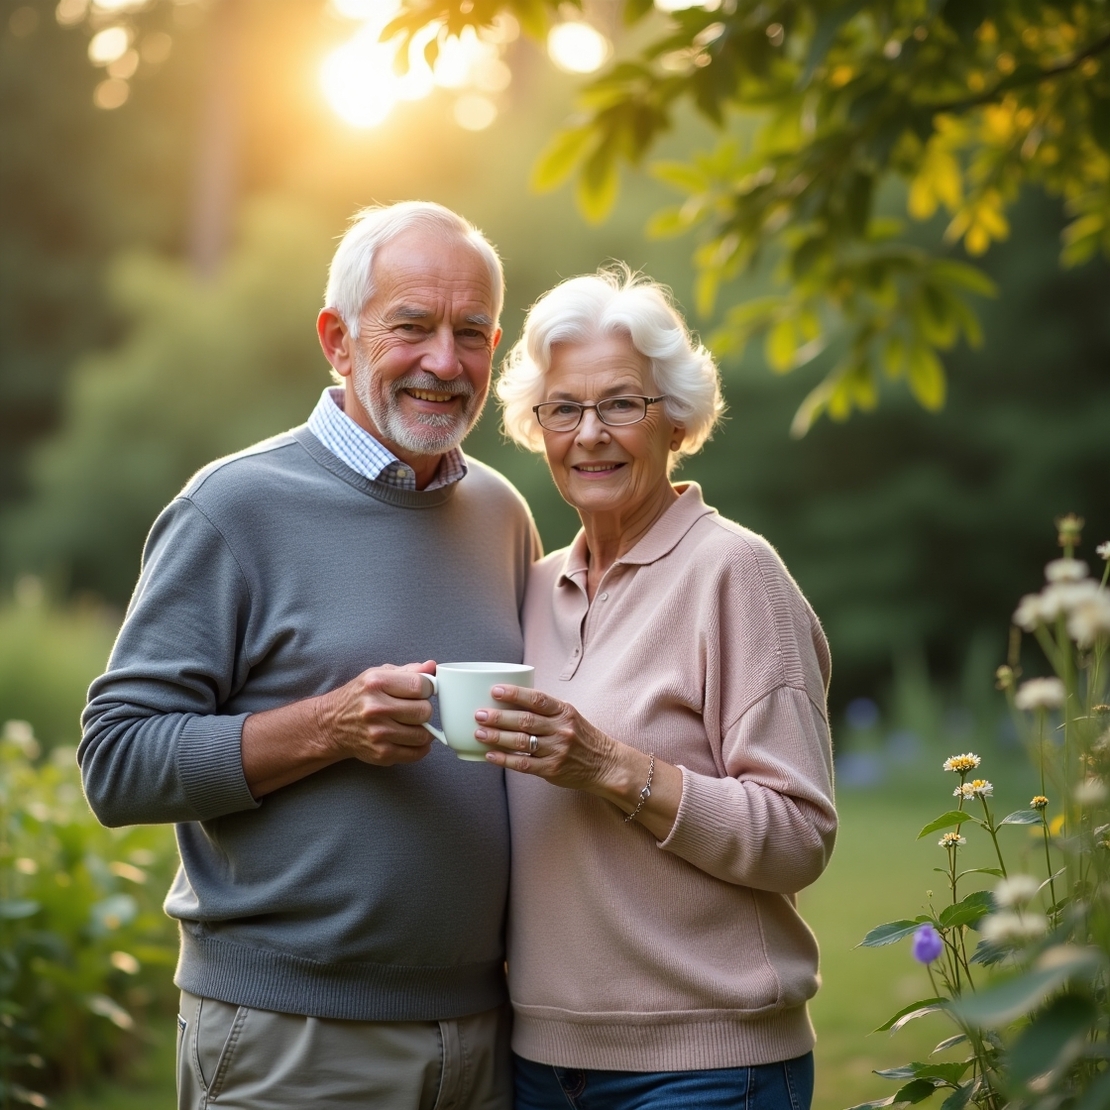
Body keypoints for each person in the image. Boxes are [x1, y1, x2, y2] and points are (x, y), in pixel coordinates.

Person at [78, 201, 540, 1110]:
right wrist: (330, 725)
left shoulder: (502, 513)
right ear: (338, 339)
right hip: (292, 1041)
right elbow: (116, 763)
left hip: (487, 1035)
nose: (445, 363)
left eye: (472, 333)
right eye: (411, 327)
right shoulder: (234, 507)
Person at [477, 267, 836, 1109]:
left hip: (709, 1063)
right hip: (538, 1061)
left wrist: (607, 765)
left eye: (622, 404)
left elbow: (799, 834)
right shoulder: (532, 589)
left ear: (675, 418)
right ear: (539, 428)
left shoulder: (735, 573)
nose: (591, 434)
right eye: (564, 408)